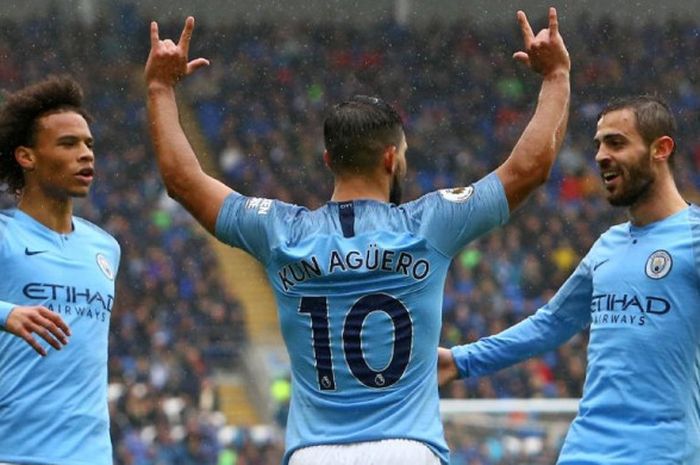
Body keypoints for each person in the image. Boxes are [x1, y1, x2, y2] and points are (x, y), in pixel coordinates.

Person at [144, 8, 570, 465]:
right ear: (391, 158)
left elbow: (183, 181)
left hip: (315, 453)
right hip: (407, 449)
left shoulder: (278, 230)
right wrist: (557, 76)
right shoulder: (429, 224)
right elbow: (530, 168)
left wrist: (159, 88)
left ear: (328, 159)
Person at [439, 95, 700, 464]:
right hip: (584, 451)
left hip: (661, 454)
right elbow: (552, 323)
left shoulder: (694, 238)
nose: (600, 156)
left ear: (661, 149)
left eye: (616, 142)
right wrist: (460, 360)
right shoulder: (607, 246)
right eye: (598, 145)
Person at [0, 76, 121, 464]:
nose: (85, 154)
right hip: (16, 452)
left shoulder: (105, 248)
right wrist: (6, 313)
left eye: (89, 144)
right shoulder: (4, 234)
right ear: (26, 156)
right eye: (68, 144)